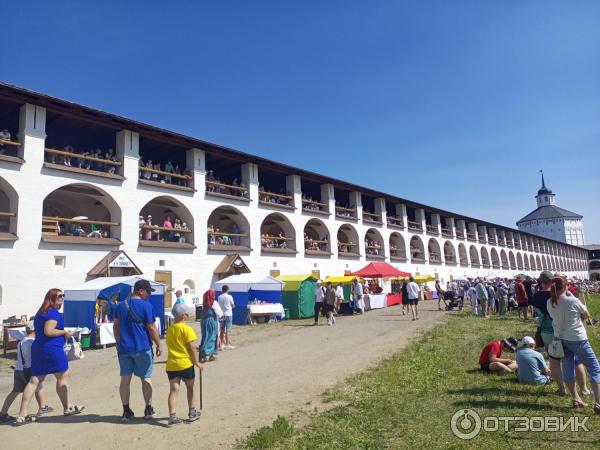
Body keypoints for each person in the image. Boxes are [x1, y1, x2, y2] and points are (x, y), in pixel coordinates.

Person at [15, 289, 84, 424]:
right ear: (52, 298)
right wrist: (65, 332)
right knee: (62, 376)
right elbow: (49, 331)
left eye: (63, 296)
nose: (62, 298)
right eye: (59, 296)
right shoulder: (52, 313)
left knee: (34, 380)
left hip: (39, 349)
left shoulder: (41, 312)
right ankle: (67, 407)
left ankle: (22, 414)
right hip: (52, 349)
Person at [547, 276, 600, 413]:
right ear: (566, 287)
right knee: (595, 368)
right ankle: (598, 403)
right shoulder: (573, 300)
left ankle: (575, 397)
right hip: (577, 339)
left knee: (568, 367)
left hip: (560, 338)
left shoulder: (550, 302)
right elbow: (586, 315)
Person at [113, 279, 162, 423]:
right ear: (140, 290)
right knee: (146, 377)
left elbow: (116, 326)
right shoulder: (146, 306)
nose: (149, 294)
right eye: (148, 292)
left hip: (124, 347)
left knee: (125, 379)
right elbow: (151, 327)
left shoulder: (120, 306)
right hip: (142, 347)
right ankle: (148, 408)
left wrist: (117, 341)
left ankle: (126, 410)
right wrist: (159, 344)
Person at [0, 321, 53, 422]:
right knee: (36, 386)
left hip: (19, 368)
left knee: (15, 391)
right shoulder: (33, 342)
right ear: (35, 330)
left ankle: (3, 412)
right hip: (29, 369)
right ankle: (39, 408)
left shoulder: (21, 342)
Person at [165, 304, 203, 426]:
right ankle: (192, 412)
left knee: (174, 390)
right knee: (190, 387)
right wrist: (196, 362)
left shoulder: (170, 329)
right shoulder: (186, 329)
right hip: (185, 363)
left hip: (172, 364)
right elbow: (192, 347)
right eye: (187, 313)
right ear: (183, 315)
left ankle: (172, 416)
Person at [200, 289, 220, 361]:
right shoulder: (214, 303)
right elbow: (219, 313)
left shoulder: (205, 303)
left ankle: (204, 353)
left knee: (205, 336)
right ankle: (208, 354)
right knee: (212, 337)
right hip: (211, 321)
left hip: (204, 321)